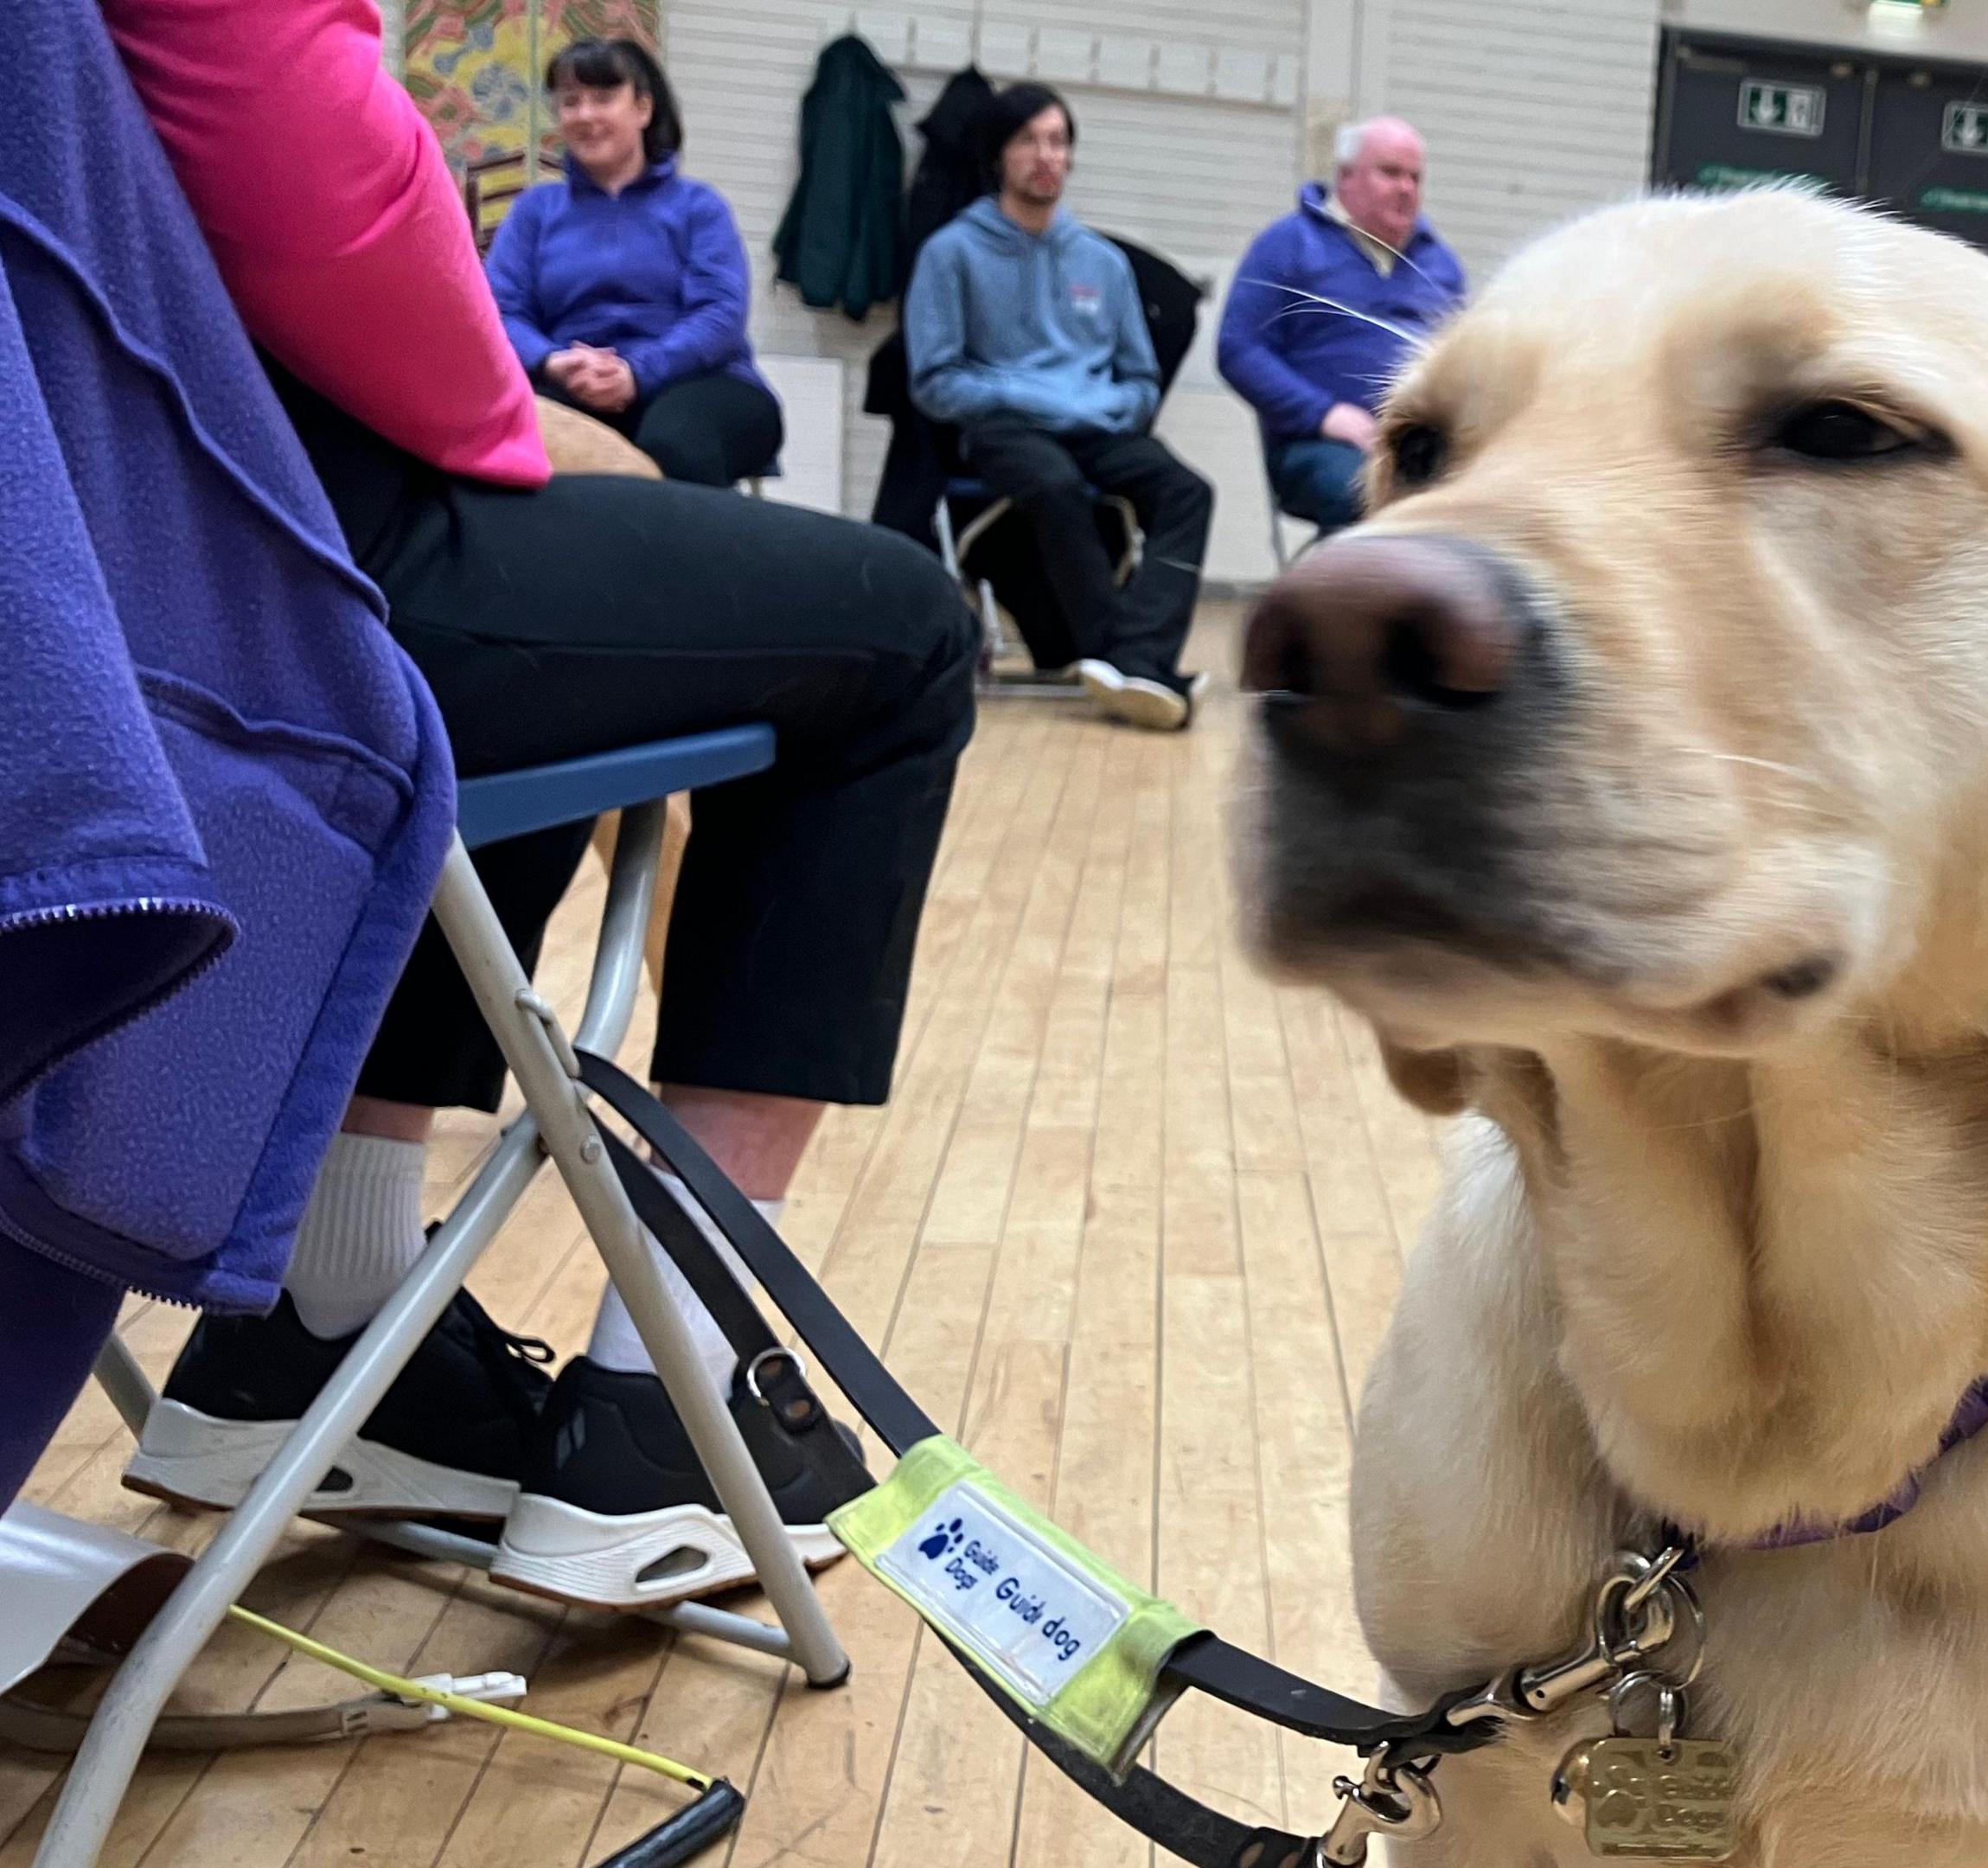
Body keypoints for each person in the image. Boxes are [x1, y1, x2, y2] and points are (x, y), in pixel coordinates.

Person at [93, 0, 981, 1609]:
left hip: (92, 572)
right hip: (255, 546)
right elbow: (306, 167)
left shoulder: (688, 213)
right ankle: (670, 1406)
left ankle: (319, 1324)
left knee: (544, 651)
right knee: (907, 629)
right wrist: (519, 433)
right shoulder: (543, 214)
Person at [906, 83, 1212, 730]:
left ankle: (1139, 658)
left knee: (1188, 490)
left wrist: (1108, 408)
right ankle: (1122, 659)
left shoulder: (1101, 262)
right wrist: (1032, 396)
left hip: (1094, 422)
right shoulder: (951, 253)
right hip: (1004, 427)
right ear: (999, 157)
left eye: (1058, 141)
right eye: (1029, 141)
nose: (1046, 156)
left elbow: (1139, 380)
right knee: (1055, 484)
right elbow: (934, 381)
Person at [484, 38, 781, 488]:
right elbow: (498, 312)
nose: (585, 115)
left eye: (603, 98)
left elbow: (721, 314)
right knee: (516, 442)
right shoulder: (535, 211)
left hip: (698, 381)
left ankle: (697, 559)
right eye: (571, 102)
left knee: (677, 443)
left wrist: (638, 372)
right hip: (570, 383)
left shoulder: (698, 207)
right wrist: (551, 361)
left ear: (643, 109)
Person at [1218, 117, 1466, 533]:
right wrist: (1324, 414)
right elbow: (1239, 349)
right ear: (1346, 176)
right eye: (1390, 173)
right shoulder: (1288, 245)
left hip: (1420, 444)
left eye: (1415, 177)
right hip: (1322, 444)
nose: (1406, 188)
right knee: (1372, 497)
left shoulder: (1441, 266)